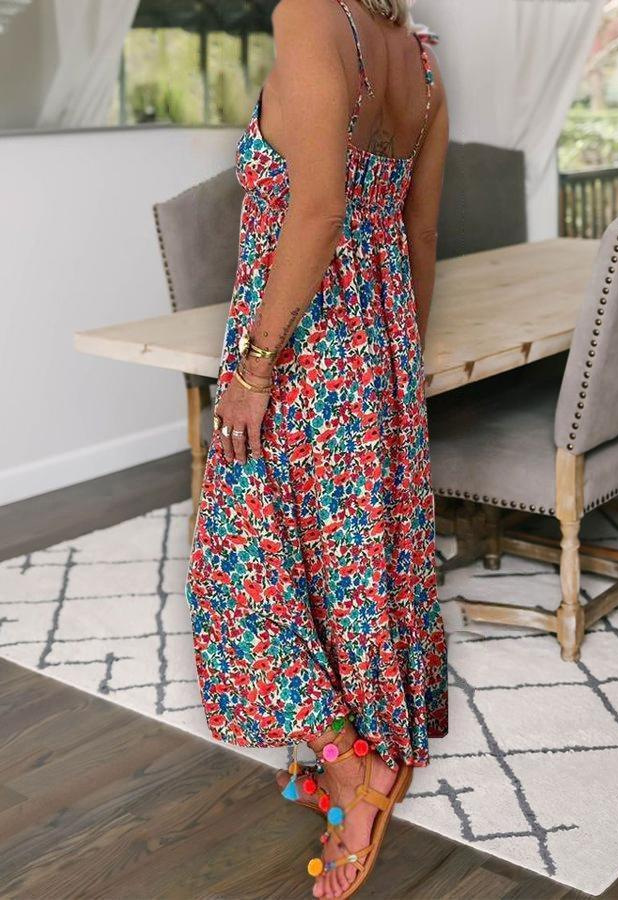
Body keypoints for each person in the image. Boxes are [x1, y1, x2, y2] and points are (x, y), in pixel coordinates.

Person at [185, 0, 449, 896]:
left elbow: (319, 210)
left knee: (238, 570)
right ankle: (368, 748)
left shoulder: (306, 13)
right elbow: (418, 231)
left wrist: (256, 368)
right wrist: (396, 361)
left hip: (297, 348)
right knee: (345, 565)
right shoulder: (419, 57)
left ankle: (351, 774)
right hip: (377, 342)